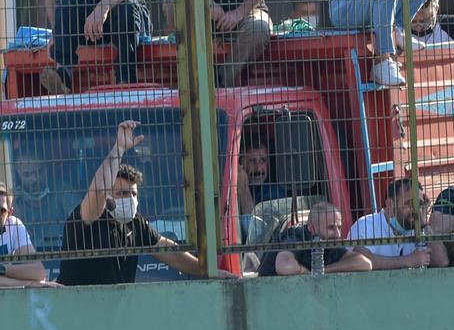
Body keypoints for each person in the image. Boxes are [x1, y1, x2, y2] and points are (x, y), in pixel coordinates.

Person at [56, 121, 236, 285]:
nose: (130, 199)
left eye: (133, 194)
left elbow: (166, 249)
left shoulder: (136, 223)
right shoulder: (88, 218)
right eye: (122, 193)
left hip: (116, 306)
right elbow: (99, 189)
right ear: (108, 197)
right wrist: (119, 149)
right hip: (77, 305)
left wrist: (206, 271)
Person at [347, 178, 448, 269]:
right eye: (410, 203)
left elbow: (442, 262)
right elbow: (361, 260)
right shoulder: (366, 225)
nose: (416, 210)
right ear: (390, 204)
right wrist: (408, 261)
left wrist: (424, 224)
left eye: (420, 204)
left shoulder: (418, 227)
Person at [257, 202, 372, 276]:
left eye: (339, 227)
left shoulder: (330, 242)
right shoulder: (295, 236)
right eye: (331, 227)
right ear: (311, 228)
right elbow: (284, 267)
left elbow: (365, 264)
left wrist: (324, 270)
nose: (337, 234)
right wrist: (305, 271)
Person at [9, 152, 78, 249]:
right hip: (28, 255)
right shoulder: (12, 202)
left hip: (63, 252)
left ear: (47, 169)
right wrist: (15, 209)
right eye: (27, 174)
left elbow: (79, 220)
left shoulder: (63, 189)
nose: (34, 179)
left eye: (39, 171)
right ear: (17, 177)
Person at [0, 182, 57, 288]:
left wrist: (3, 269)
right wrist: (32, 284)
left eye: (1, 211)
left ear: (10, 213)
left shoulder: (14, 225)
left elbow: (38, 272)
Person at [236, 136, 282, 216]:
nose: (258, 169)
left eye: (262, 160)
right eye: (252, 161)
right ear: (242, 163)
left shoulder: (275, 192)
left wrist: (244, 189)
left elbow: (253, 222)